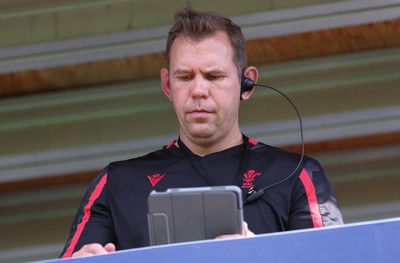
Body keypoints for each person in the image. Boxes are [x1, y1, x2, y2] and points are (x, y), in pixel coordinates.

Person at [60, 5, 343, 258]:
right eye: (184, 77)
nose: (198, 90)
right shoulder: (116, 183)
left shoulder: (296, 175)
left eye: (214, 76)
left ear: (247, 83)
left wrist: (260, 255)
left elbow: (338, 256)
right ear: (168, 85)